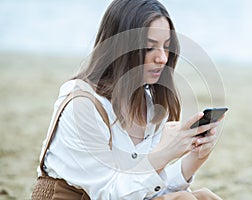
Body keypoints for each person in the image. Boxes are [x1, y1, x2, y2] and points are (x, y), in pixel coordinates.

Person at [35, 0, 224, 199]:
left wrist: (195, 157)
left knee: (204, 196)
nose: (162, 58)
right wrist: (164, 153)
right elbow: (109, 193)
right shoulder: (82, 105)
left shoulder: (148, 104)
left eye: (166, 47)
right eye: (150, 48)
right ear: (121, 48)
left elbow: (144, 189)